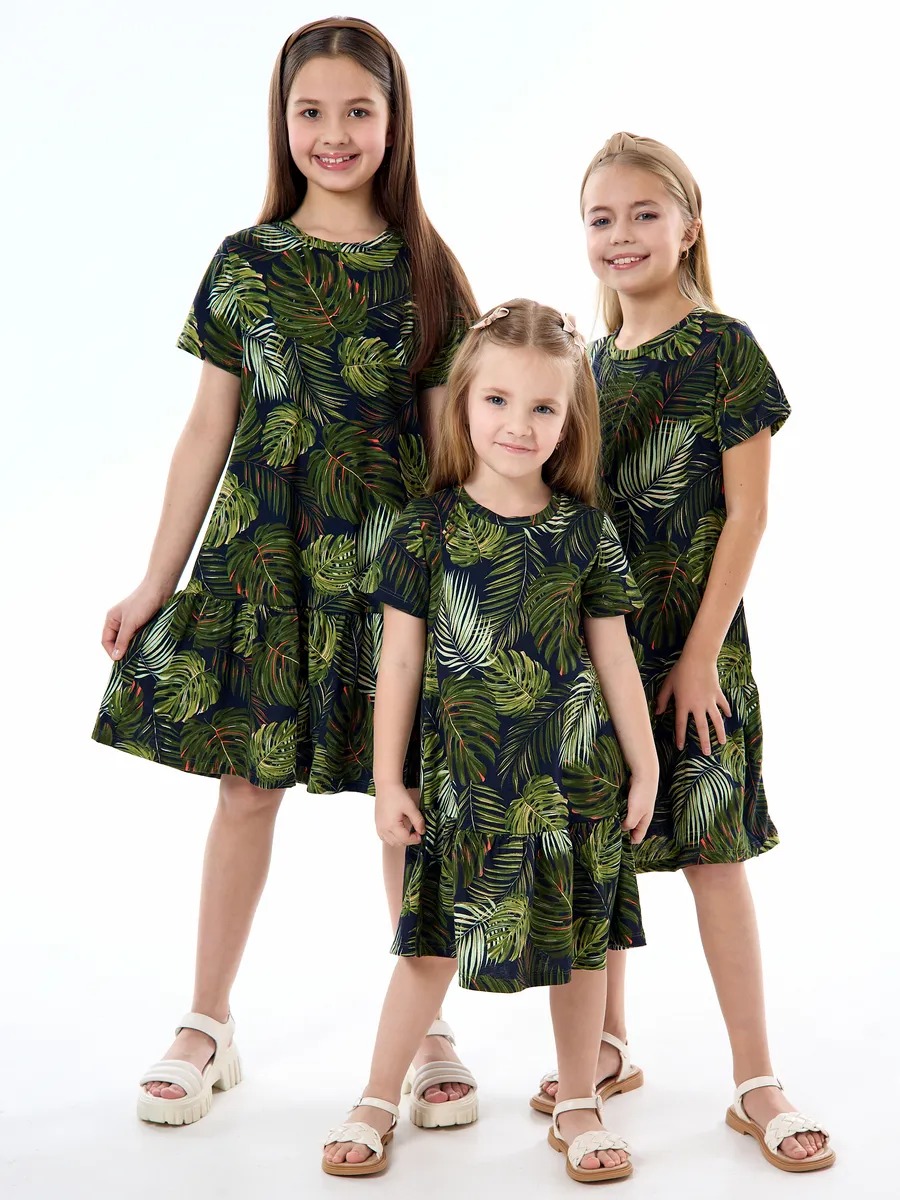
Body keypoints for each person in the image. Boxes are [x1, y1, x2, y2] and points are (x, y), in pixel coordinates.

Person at [91, 15, 479, 1126]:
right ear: (283, 121)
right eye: (311, 111)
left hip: (387, 581)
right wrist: (155, 581)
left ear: (395, 122)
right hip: (266, 565)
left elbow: (452, 450)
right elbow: (205, 432)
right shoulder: (246, 263)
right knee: (246, 789)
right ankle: (207, 1021)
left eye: (359, 109)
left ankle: (427, 1030)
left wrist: (463, 594)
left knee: (405, 800)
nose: (334, 133)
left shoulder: (427, 271)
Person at [532, 132, 834, 1173]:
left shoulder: (724, 350)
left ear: (689, 227)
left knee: (713, 855)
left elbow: (747, 515)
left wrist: (700, 655)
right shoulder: (583, 365)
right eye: (601, 218)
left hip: (697, 646)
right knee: (599, 854)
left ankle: (755, 1080)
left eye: (644, 214)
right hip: (596, 650)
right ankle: (604, 1052)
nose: (621, 235)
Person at [322, 300, 658, 1182]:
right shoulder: (423, 529)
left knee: (580, 950)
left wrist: (645, 764)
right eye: (498, 401)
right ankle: (377, 1096)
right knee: (426, 950)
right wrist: (388, 780)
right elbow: (398, 663)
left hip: (572, 785)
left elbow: (614, 657)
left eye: (543, 407)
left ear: (569, 418)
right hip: (462, 790)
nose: (519, 424)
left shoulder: (585, 531)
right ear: (465, 401)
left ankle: (578, 1102)